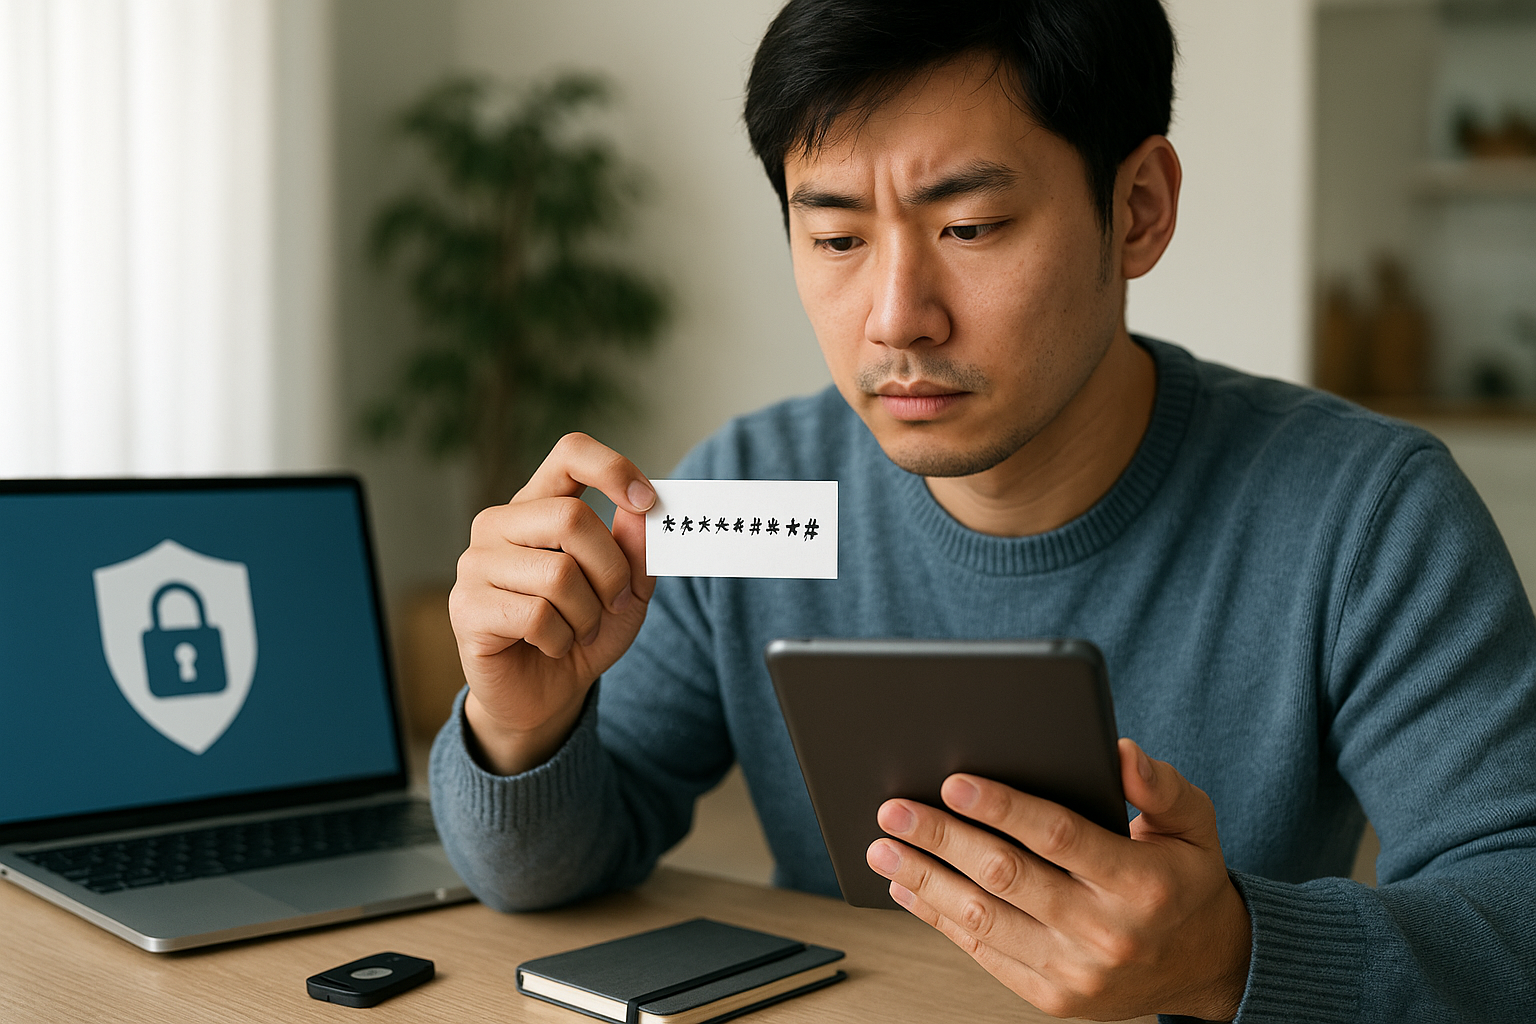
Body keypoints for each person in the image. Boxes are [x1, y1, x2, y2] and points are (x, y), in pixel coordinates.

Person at [430, 1, 1536, 1020]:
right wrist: (521, 725)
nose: (897, 318)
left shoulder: (1366, 515)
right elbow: (552, 874)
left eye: (971, 227)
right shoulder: (755, 485)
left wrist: (1232, 953)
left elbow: (1517, 911)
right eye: (836, 237)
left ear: (1138, 209)